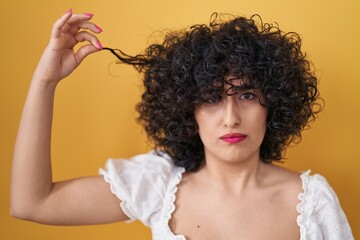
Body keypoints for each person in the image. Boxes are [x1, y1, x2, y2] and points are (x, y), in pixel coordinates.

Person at [10, 9, 354, 240]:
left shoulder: (311, 202)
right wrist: (45, 81)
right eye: (211, 98)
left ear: (273, 104)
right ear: (187, 109)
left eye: (247, 95)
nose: (231, 116)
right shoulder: (158, 185)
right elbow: (31, 203)